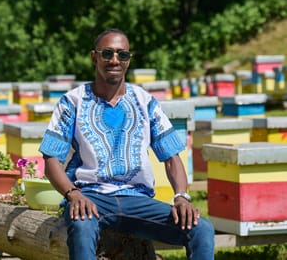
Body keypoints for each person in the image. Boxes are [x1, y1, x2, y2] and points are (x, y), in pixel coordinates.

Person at [38, 29, 215, 260]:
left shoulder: (145, 101)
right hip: (91, 197)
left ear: (128, 60)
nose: (114, 60)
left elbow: (172, 157)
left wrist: (181, 196)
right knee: (82, 227)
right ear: (94, 57)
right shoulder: (72, 101)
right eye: (107, 53)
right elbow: (51, 159)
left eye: (122, 55)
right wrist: (73, 194)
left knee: (201, 228)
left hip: (138, 200)